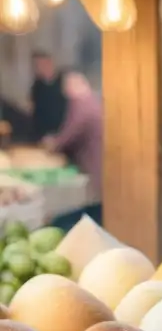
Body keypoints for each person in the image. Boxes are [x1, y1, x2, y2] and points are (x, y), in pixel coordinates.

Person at [42, 71, 103, 227]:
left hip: (97, 169)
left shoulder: (82, 105)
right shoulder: (93, 101)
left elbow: (71, 133)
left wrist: (53, 144)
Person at [27, 52, 66, 143]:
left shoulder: (62, 82)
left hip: (61, 132)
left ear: (49, 63)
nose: (36, 69)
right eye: (34, 66)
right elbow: (33, 109)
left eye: (38, 65)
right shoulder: (37, 85)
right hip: (41, 133)